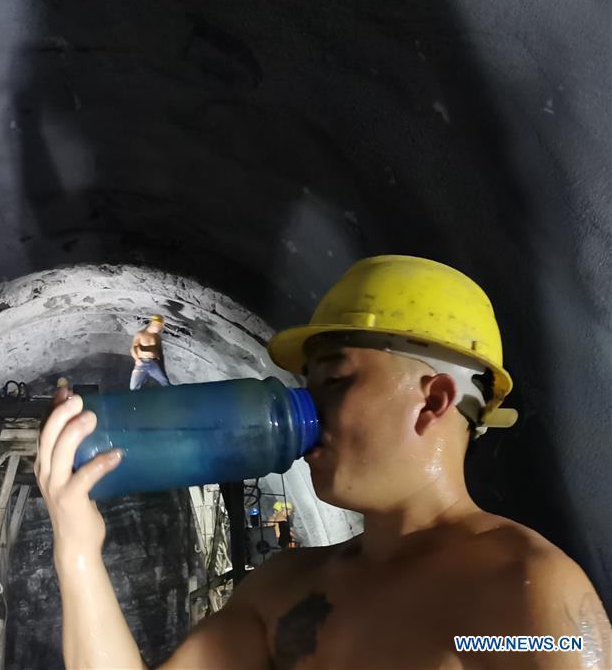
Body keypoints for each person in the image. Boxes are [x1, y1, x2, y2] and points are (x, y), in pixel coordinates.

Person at [36, 255, 610, 669]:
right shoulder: (284, 589)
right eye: (305, 385)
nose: (307, 407)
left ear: (433, 399)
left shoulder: (522, 595)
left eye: (333, 380)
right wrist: (76, 548)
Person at [129, 314, 170, 390]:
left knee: (164, 381)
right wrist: (137, 360)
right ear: (153, 324)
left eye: (161, 326)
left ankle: (171, 398)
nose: (160, 328)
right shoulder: (140, 334)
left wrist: (162, 368)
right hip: (142, 362)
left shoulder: (157, 337)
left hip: (153, 363)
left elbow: (160, 353)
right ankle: (133, 401)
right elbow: (133, 348)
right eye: (159, 326)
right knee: (134, 387)